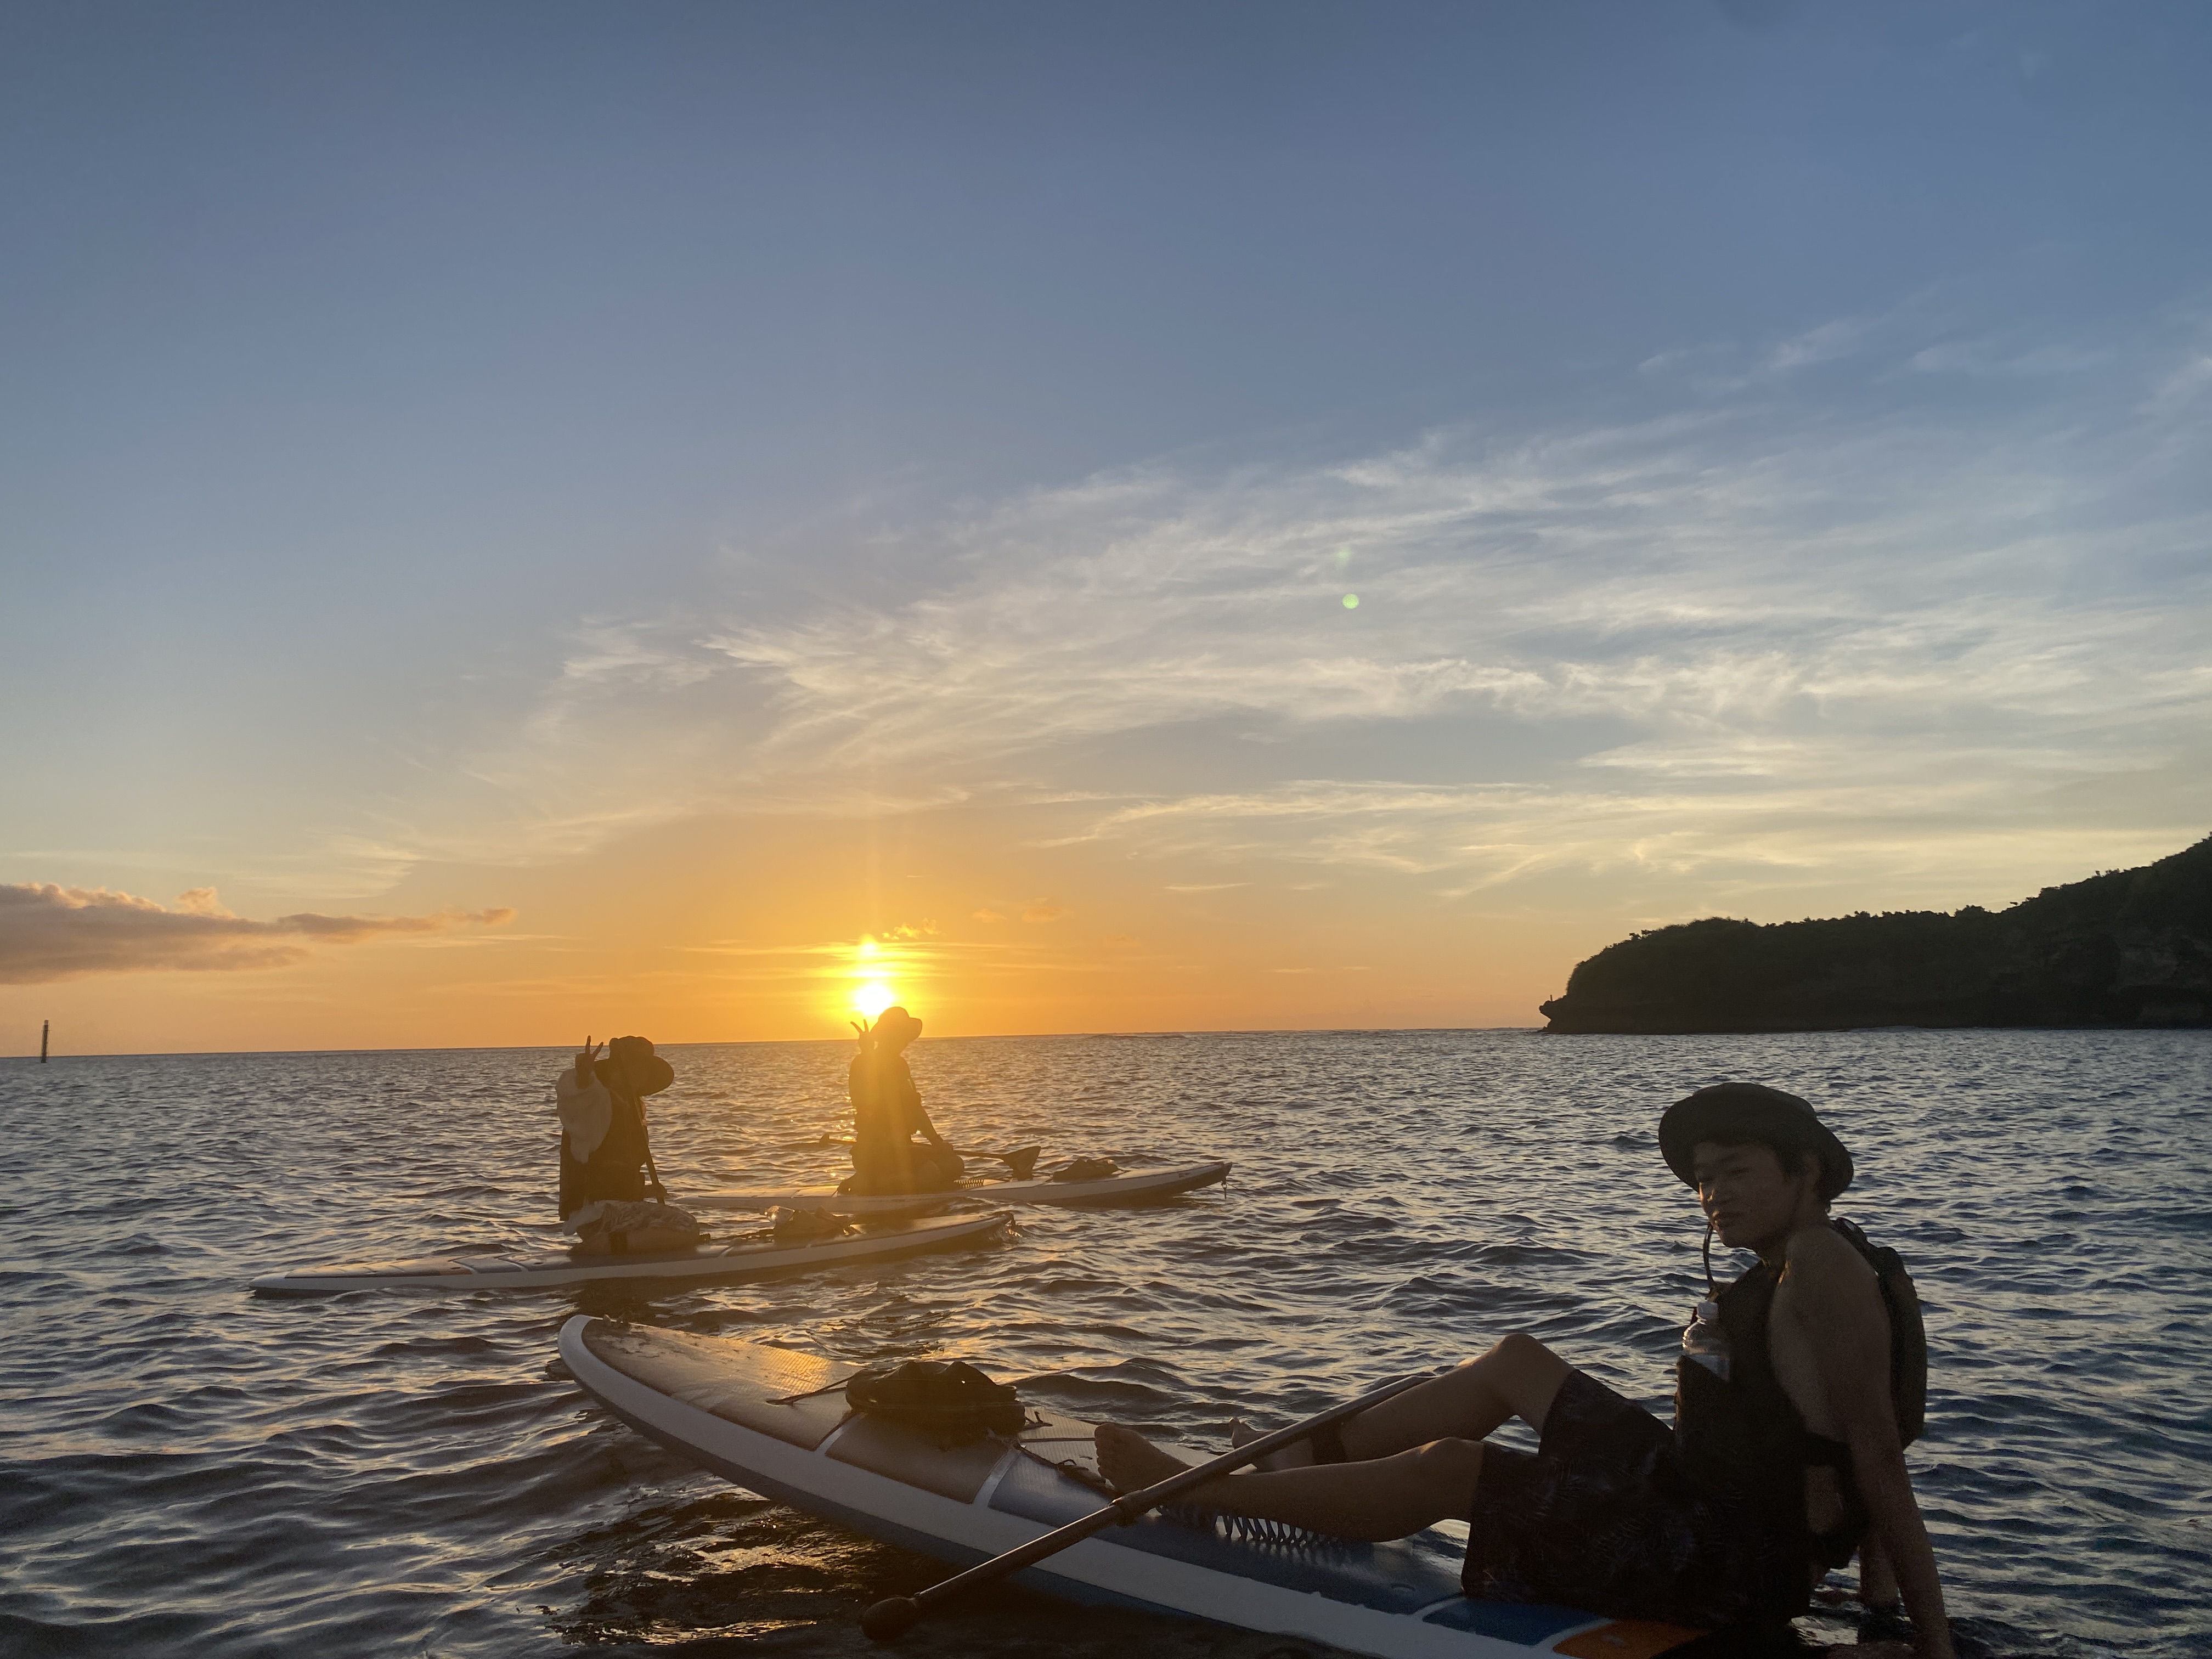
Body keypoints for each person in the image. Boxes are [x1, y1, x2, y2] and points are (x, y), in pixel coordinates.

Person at [1094, 1082, 1952, 1659]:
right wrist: (1873, 1603)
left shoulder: (1823, 1267)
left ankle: (1197, 1493)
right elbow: (1838, 1437)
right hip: (1700, 1497)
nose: (1714, 1195)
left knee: (1454, 1469)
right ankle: (1309, 1467)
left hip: (1728, 1562)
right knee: (1515, 1362)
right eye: (1702, 1180)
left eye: (1737, 1173)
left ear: (1805, 1172)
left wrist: (1920, 1635)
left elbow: (1875, 1456)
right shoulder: (1799, 1261)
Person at [845, 1007, 963, 1195]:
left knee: (954, 1165)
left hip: (903, 1147)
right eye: (899, 1035)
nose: (905, 1041)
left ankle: (888, 1182)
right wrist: (868, 1056)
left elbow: (915, 1108)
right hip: (875, 1150)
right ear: (887, 1036)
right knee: (930, 1174)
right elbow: (868, 1100)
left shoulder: (901, 1065)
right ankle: (866, 1181)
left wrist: (936, 1142)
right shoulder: (863, 1063)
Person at [556, 1034, 674, 1219]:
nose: (639, 1075)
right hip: (593, 1211)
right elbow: (576, 1097)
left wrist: (647, 1191)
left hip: (621, 1205)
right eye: (633, 1068)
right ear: (615, 1071)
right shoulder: (599, 1099)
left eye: (643, 1070)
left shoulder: (633, 1106)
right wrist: (584, 1077)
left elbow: (623, 1174)